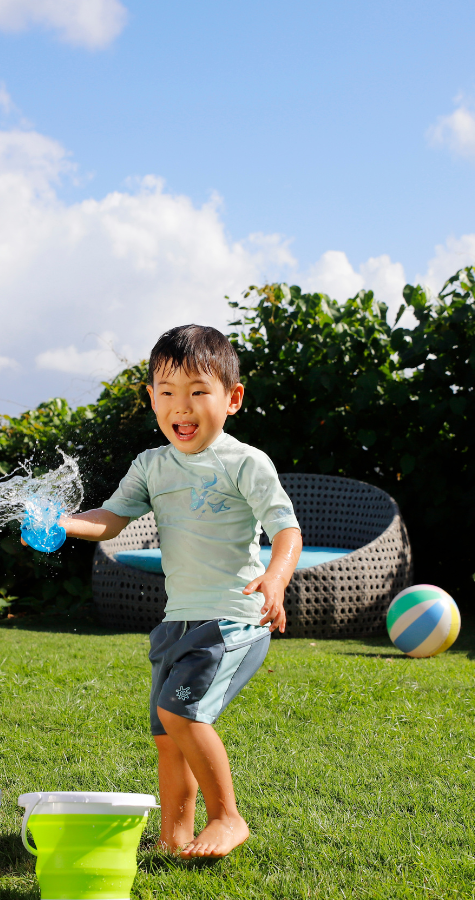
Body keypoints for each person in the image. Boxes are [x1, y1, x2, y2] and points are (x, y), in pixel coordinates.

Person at [58, 324, 302, 858]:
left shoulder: (246, 463)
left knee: (182, 715)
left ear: (232, 398)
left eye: (197, 391)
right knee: (169, 739)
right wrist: (64, 524)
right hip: (177, 623)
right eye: (166, 392)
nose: (181, 406)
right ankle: (175, 839)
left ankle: (228, 817)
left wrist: (276, 578)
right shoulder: (151, 464)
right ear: (152, 399)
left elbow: (287, 528)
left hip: (233, 619)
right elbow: (112, 519)